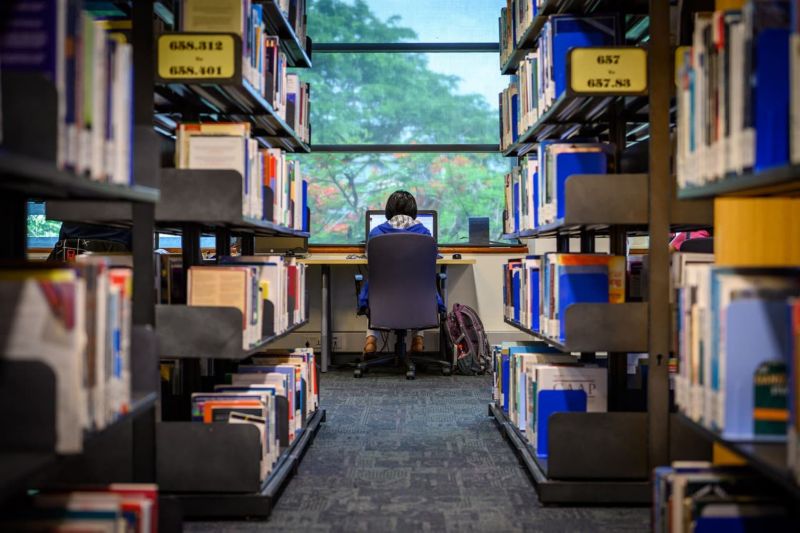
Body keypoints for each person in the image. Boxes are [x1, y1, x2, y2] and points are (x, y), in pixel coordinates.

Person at [359, 190, 444, 355]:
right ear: (414, 211)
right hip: (417, 295)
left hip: (384, 294)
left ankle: (371, 339)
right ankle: (418, 339)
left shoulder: (375, 233)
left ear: (388, 211)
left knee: (376, 289)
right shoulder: (425, 234)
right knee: (421, 289)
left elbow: (370, 259)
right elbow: (431, 258)